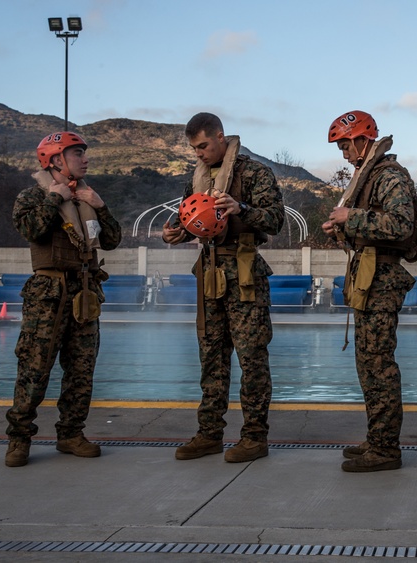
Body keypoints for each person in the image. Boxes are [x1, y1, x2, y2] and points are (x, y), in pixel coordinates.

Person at [162, 112, 284, 463]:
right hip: (210, 273)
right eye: (193, 148)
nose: (198, 154)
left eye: (202, 145)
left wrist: (240, 208)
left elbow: (275, 218)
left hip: (244, 273)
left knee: (252, 358)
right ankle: (209, 433)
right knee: (211, 358)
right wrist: (177, 233)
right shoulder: (197, 177)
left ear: (220, 136)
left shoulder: (254, 172)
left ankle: (254, 437)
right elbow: (190, 220)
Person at [4, 131, 123, 467]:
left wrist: (102, 206)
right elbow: (32, 230)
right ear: (55, 159)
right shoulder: (32, 196)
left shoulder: (86, 197)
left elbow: (112, 240)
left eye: (85, 152)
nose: (85, 158)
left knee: (81, 369)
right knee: (34, 368)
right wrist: (53, 199)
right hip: (48, 294)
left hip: (84, 292)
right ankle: (19, 438)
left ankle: (71, 434)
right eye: (77, 153)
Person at [321, 110, 417, 472]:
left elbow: (402, 225)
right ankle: (378, 438)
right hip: (368, 277)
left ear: (364, 138)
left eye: (347, 144)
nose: (344, 152)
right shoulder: (369, 176)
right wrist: (342, 232)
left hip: (383, 280)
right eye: (340, 146)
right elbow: (372, 229)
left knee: (378, 364)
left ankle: (386, 449)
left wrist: (352, 218)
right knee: (368, 363)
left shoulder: (389, 175)